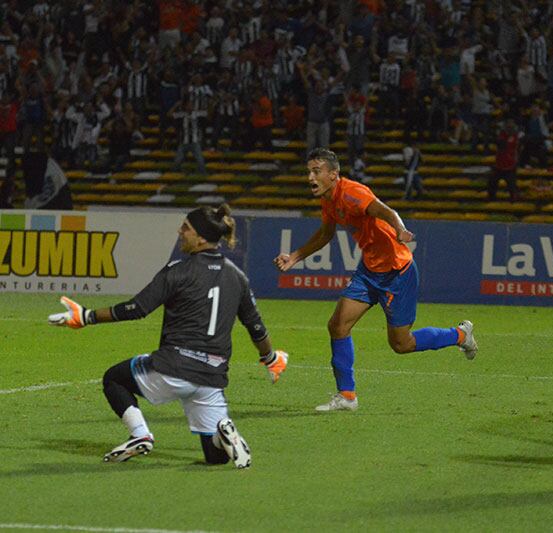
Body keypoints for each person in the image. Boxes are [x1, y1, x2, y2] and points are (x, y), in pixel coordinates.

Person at [48, 205, 288, 468]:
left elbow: (137, 308)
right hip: (212, 377)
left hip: (173, 368)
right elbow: (256, 327)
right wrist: (270, 357)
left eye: (186, 227)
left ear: (200, 238)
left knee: (114, 379)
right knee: (215, 458)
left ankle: (140, 434)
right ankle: (222, 435)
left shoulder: (179, 270)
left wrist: (87, 316)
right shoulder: (238, 277)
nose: (180, 232)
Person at [273, 148, 477, 412]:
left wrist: (400, 229)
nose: (310, 176)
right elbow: (325, 234)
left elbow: (386, 211)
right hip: (369, 272)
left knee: (401, 344)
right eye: (308, 171)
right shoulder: (328, 199)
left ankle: (460, 334)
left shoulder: (352, 192)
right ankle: (347, 395)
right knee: (337, 326)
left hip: (397, 273)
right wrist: (295, 256)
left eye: (316, 171)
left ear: (333, 175)